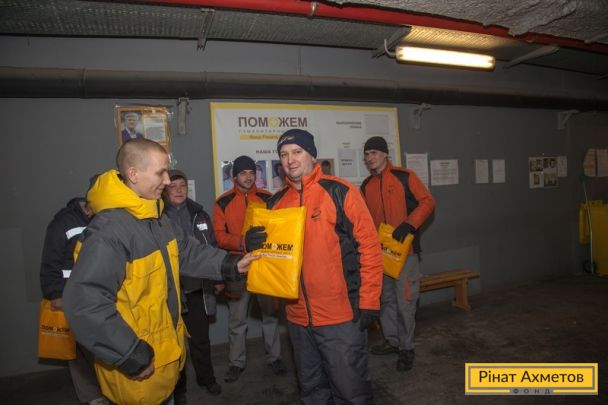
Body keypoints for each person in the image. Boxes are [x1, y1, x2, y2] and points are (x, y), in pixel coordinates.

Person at [63, 138, 257, 405]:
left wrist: (230, 264)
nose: (167, 181)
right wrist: (130, 353)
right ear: (133, 174)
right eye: (160, 173)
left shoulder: (156, 218)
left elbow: (186, 251)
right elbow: (84, 304)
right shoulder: (109, 231)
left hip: (164, 360)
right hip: (137, 370)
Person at [255, 129, 383, 404]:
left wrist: (370, 300)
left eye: (297, 152)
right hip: (298, 319)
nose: (290, 160)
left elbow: (370, 248)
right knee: (312, 391)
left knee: (351, 392)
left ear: (312, 155)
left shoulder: (340, 191)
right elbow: (268, 260)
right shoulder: (275, 203)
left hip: (341, 317)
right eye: (284, 154)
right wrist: (250, 244)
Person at [360, 136, 435, 372]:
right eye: (367, 154)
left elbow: (428, 202)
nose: (370, 157)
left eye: (374, 152)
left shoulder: (405, 177)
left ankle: (406, 348)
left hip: (406, 253)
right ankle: (392, 341)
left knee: (405, 302)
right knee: (386, 301)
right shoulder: (366, 186)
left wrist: (410, 224)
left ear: (384, 154)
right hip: (380, 255)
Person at [212, 155, 287, 383]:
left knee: (270, 315)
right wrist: (242, 242)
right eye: (243, 173)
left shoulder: (267, 198)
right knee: (237, 319)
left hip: (264, 265)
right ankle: (236, 362)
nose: (248, 177)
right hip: (238, 267)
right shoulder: (223, 202)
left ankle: (275, 358)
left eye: (252, 173)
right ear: (235, 176)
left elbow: (277, 230)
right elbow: (219, 236)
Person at [40, 197, 108, 405]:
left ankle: (109, 391)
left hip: (99, 294)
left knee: (101, 345)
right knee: (77, 350)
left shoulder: (105, 219)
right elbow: (50, 260)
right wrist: (55, 294)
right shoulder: (63, 222)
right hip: (71, 296)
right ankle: (93, 397)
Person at [162, 170, 222, 399]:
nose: (179, 190)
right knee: (174, 346)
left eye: (182, 186)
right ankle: (179, 390)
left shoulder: (200, 214)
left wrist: (217, 278)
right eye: (173, 186)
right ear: (165, 190)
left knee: (200, 340)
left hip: (196, 289)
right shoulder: (157, 217)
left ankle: (207, 379)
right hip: (171, 292)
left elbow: (212, 246)